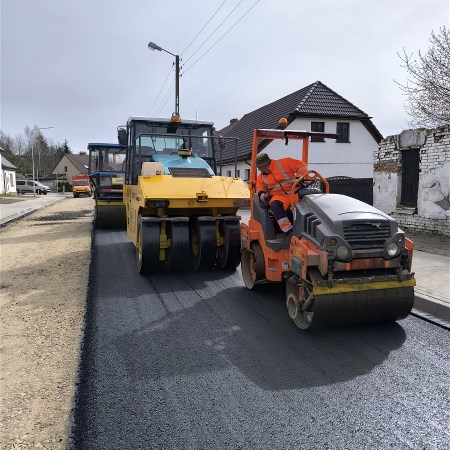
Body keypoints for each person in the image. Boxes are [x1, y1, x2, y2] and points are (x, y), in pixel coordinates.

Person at [255, 152, 308, 234]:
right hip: (279, 197)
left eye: (260, 168)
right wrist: (261, 194)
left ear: (267, 165)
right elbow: (259, 187)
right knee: (275, 205)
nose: (260, 170)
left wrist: (299, 176)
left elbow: (302, 165)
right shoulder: (261, 176)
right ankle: (288, 230)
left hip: (295, 193)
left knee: (304, 206)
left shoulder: (284, 163)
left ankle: (305, 228)